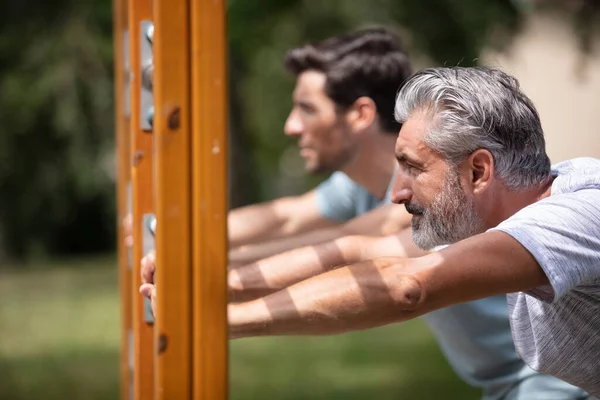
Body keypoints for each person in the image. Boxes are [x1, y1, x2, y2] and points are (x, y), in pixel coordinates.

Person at [141, 66, 595, 398]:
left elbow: (406, 287)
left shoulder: (576, 215)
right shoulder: (483, 214)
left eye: (414, 169)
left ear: (478, 171)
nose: (396, 194)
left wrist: (212, 323)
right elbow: (361, 251)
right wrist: (203, 282)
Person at [124, 27, 414, 259]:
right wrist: (178, 231)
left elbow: (343, 243)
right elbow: (284, 219)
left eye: (308, 109)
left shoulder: (425, 187)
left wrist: (199, 259)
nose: (291, 126)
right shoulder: (357, 186)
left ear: (360, 115)